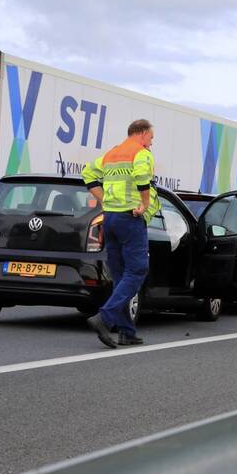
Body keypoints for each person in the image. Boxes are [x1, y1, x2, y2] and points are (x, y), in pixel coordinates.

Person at [82, 119, 161, 348]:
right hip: (130, 218)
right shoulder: (141, 153)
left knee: (120, 276)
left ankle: (127, 331)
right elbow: (142, 177)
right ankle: (104, 318)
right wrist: (144, 204)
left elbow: (87, 174)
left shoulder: (111, 154)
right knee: (137, 270)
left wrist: (103, 200)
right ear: (143, 133)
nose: (152, 142)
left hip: (111, 219)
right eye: (151, 137)